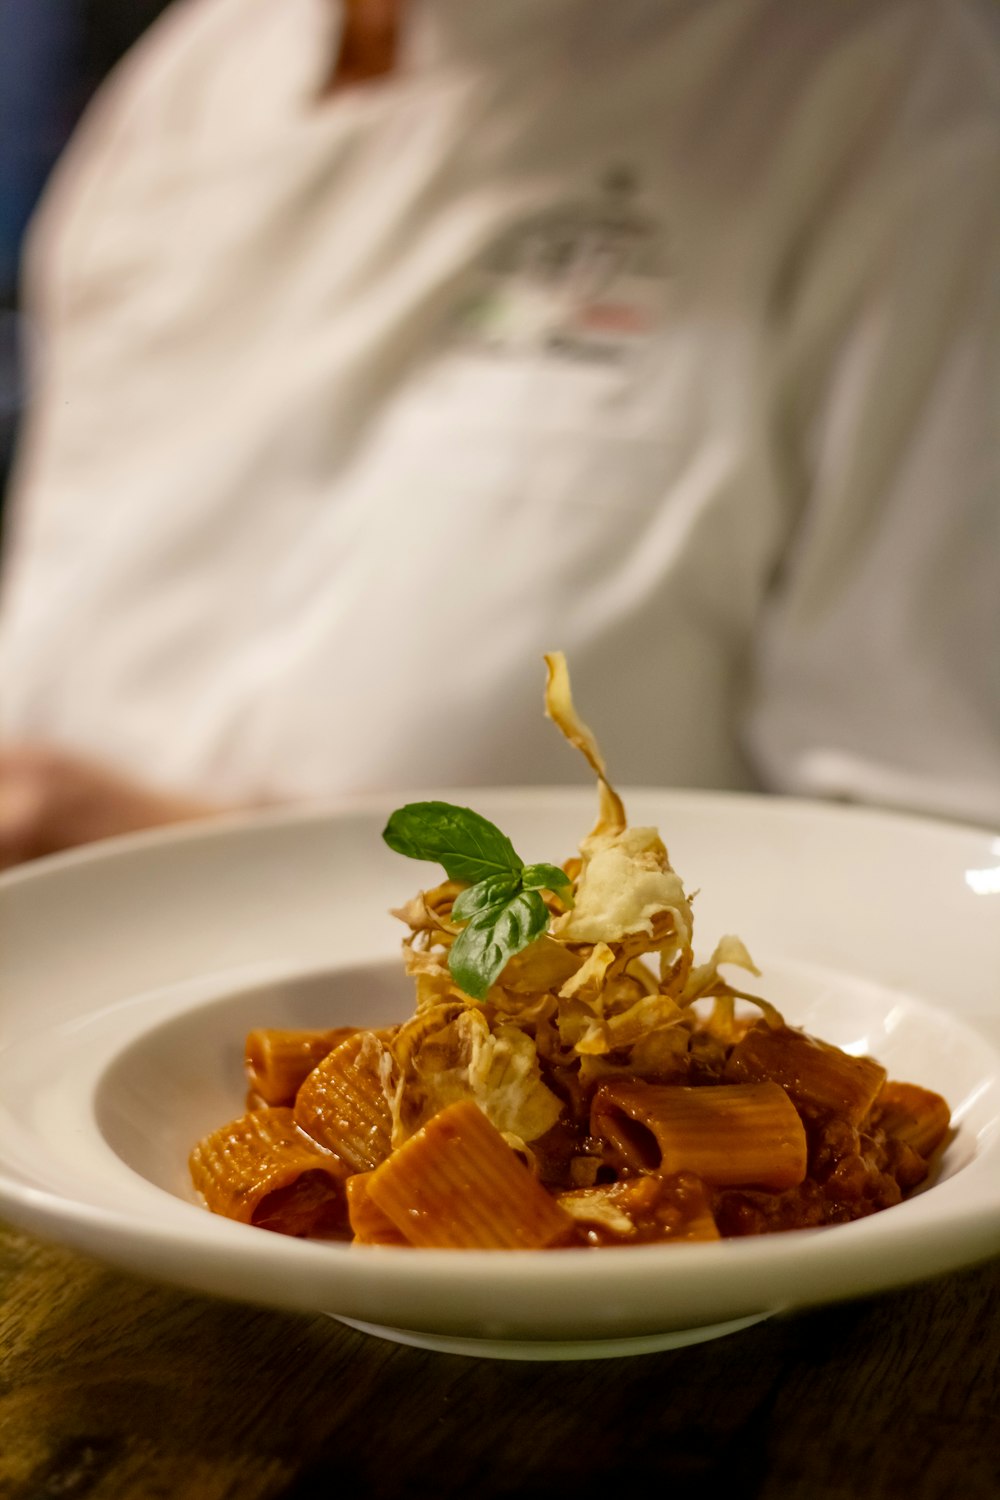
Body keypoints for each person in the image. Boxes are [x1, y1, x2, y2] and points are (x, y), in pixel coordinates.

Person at [0, 0, 997, 868]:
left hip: (539, 1077)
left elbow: (938, 868)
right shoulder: (194, 71)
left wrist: (191, 891)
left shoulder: (893, 87)